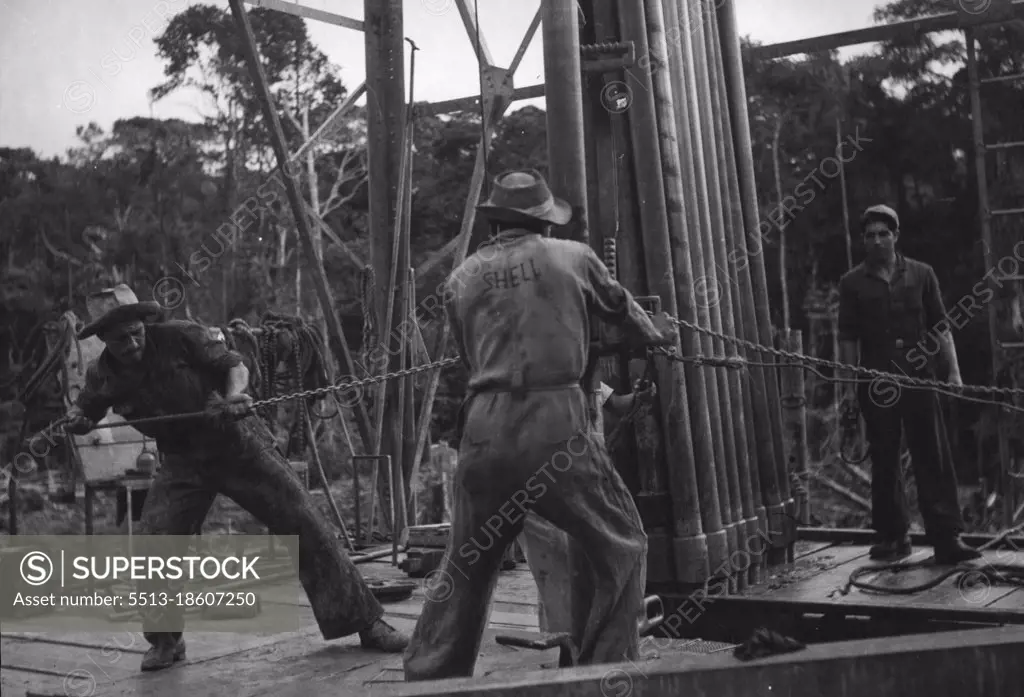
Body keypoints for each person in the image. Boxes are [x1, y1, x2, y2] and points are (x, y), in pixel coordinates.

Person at [402, 170, 677, 681]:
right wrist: (656, 335)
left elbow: (467, 355)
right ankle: (602, 673)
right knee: (622, 542)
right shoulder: (572, 256)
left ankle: (430, 676)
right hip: (555, 424)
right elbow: (621, 309)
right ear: (544, 222)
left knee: (465, 564)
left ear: (496, 222)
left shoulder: (460, 278)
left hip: (484, 425)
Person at [64, 284, 409, 672]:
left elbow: (235, 365)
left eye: (135, 332)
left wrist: (234, 396)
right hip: (182, 461)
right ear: (103, 340)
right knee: (154, 545)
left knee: (304, 521)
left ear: (144, 323)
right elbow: (86, 411)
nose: (131, 343)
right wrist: (77, 421)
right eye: (120, 338)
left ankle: (366, 623)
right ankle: (165, 642)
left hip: (238, 443)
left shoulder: (180, 335)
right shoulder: (102, 374)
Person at [837, 205, 981, 564]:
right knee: (884, 458)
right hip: (876, 383)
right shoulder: (851, 283)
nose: (877, 240)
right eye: (870, 234)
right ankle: (893, 537)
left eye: (883, 233)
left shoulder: (922, 274)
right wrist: (847, 393)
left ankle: (947, 538)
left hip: (920, 380)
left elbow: (941, 327)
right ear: (863, 240)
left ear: (896, 235)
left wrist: (954, 373)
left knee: (932, 453)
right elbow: (847, 342)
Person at [519, 378, 656, 635]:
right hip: (544, 479)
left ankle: (599, 641)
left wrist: (639, 396)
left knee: (623, 546)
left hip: (582, 478)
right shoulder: (538, 373)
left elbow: (615, 403)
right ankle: (570, 647)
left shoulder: (578, 368)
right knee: (558, 568)